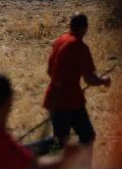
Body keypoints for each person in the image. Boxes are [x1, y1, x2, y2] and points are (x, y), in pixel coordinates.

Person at [44, 13, 112, 155]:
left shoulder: (60, 40)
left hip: (57, 98)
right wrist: (103, 80)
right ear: (85, 28)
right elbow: (89, 79)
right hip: (67, 102)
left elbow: (50, 71)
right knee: (68, 142)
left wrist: (67, 84)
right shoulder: (79, 46)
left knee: (69, 139)